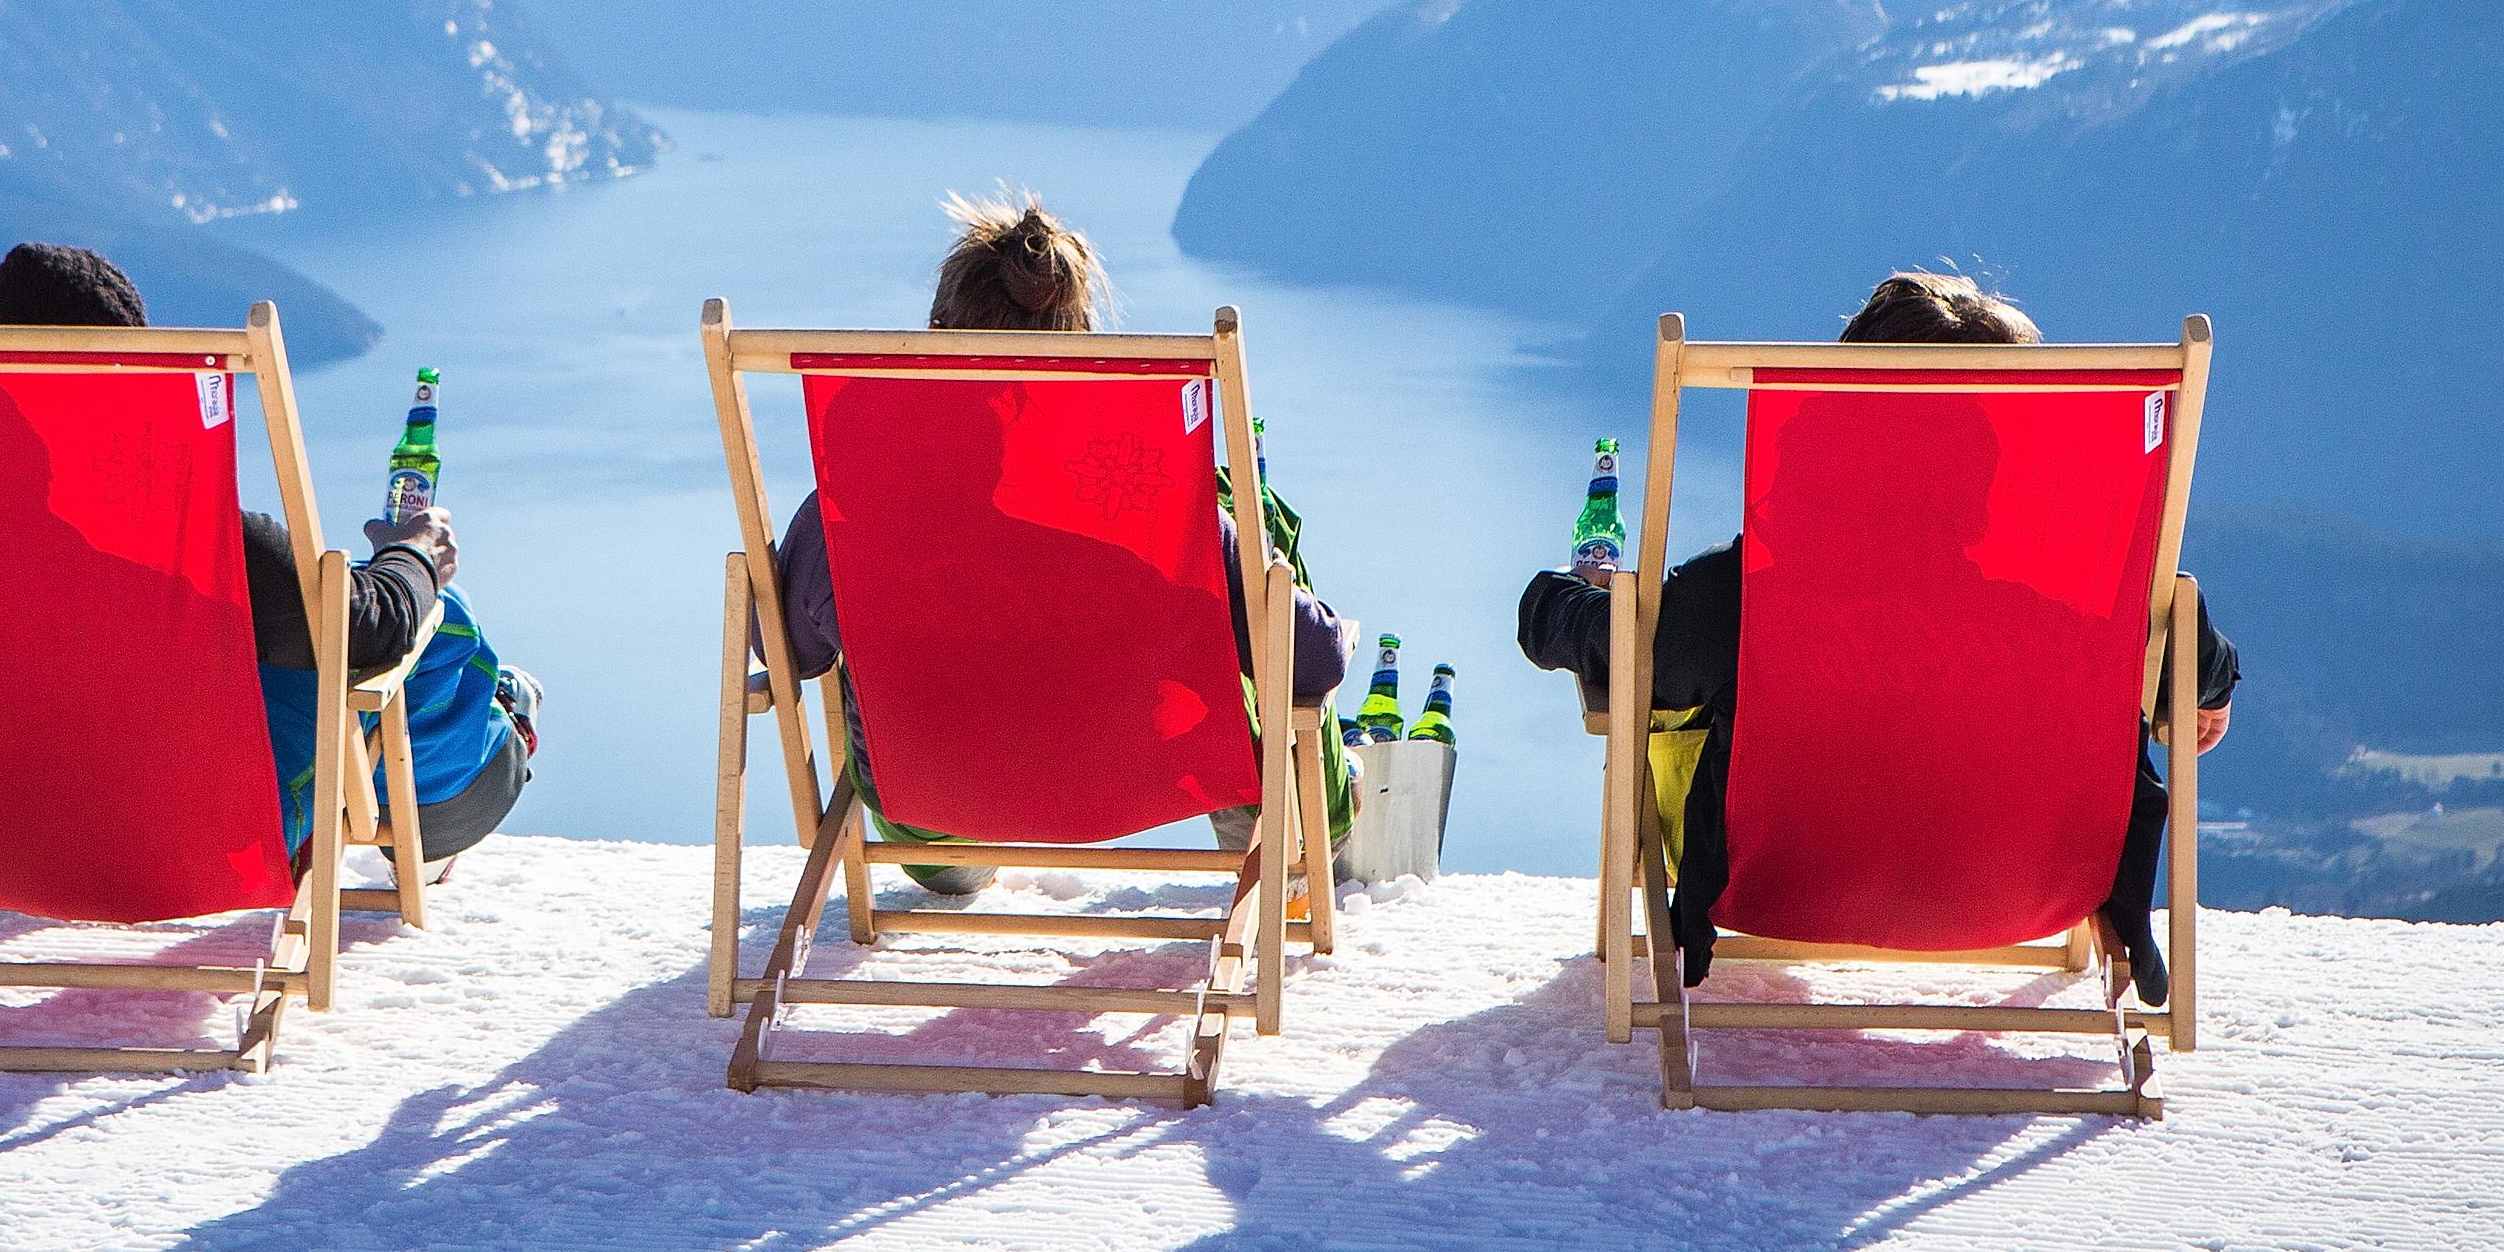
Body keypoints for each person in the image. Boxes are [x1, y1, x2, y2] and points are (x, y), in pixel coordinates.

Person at [1510, 268, 2238, 1001]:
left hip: (1786, 881)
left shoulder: (1750, 604)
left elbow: (1626, 653)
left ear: (1828, 435)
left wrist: (1562, 600)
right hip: (2018, 889)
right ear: (1986, 467)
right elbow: (2182, 652)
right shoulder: (2047, 625)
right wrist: (2206, 684)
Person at [0, 241, 539, 877]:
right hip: (193, 851)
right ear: (128, 381)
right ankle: (469, 776)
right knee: (436, 622)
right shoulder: (199, 549)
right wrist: (414, 553)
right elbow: (374, 630)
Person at [765, 193, 1353, 898]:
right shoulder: (1162, 515)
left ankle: (957, 852)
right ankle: (1287, 842)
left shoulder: (850, 517)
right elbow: (1312, 660)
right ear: (1083, 345)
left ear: (937, 335)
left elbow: (790, 656)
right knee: (1259, 603)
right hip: (1142, 782)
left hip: (935, 811)